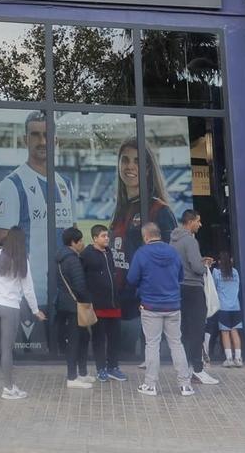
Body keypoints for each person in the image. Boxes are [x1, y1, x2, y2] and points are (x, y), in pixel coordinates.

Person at [0, 112, 74, 343]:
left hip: (62, 293)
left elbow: (74, 237)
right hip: (28, 297)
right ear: (25, 140)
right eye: (35, 135)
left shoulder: (65, 184)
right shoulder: (11, 184)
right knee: (33, 355)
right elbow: (3, 243)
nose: (42, 141)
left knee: (61, 352)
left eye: (48, 135)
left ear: (56, 141)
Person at [108, 140, 175, 365]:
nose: (130, 166)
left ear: (148, 169)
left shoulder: (158, 210)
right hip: (119, 306)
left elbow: (170, 261)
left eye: (137, 161)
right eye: (125, 160)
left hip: (143, 310)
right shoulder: (120, 210)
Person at [0, 226, 45, 399]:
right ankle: (8, 388)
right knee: (6, 349)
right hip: (10, 307)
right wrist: (36, 310)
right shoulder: (22, 259)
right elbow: (28, 289)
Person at [127, 221, 196, 397]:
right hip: (173, 305)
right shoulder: (173, 252)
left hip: (150, 306)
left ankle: (150, 384)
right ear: (159, 234)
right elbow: (181, 276)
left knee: (152, 345)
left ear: (145, 236)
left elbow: (132, 278)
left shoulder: (142, 253)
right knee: (176, 344)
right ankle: (185, 385)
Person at [170, 208, 220, 386]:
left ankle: (187, 369)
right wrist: (203, 264)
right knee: (197, 330)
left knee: (184, 331)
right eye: (198, 221)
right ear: (190, 222)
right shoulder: (190, 241)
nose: (200, 224)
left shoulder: (173, 241)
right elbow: (197, 268)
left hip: (179, 288)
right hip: (193, 288)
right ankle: (197, 370)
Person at [82, 224, 125, 381]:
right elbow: (82, 279)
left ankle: (113, 366)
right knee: (99, 339)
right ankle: (101, 369)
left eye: (107, 235)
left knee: (114, 338)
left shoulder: (108, 252)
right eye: (103, 236)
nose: (107, 238)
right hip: (98, 306)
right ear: (94, 238)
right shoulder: (87, 254)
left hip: (114, 305)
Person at [54, 225, 93, 389]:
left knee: (82, 338)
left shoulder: (60, 258)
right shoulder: (72, 259)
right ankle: (72, 377)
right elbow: (80, 286)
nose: (82, 243)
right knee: (77, 341)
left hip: (65, 304)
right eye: (80, 241)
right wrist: (88, 303)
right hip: (75, 306)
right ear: (73, 242)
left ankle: (82, 373)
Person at [212, 251, 243, 367]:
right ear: (231, 260)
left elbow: (213, 287)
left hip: (223, 307)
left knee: (225, 333)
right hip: (236, 307)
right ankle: (238, 359)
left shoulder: (216, 273)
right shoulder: (235, 272)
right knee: (235, 332)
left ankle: (229, 359)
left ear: (219, 262)